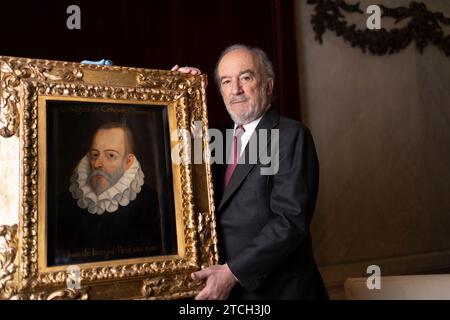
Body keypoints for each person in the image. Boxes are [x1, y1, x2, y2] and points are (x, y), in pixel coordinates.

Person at [172, 44, 328, 300]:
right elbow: (178, 184)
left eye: (246, 78)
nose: (236, 90)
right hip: (225, 292)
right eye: (226, 81)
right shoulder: (212, 139)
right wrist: (178, 91)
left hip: (279, 291)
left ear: (268, 85)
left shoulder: (290, 136)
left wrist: (231, 273)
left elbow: (290, 221)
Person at [51, 122, 163, 265]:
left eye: (110, 155)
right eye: (95, 155)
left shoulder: (152, 203)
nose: (98, 163)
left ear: (128, 162)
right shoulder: (63, 203)